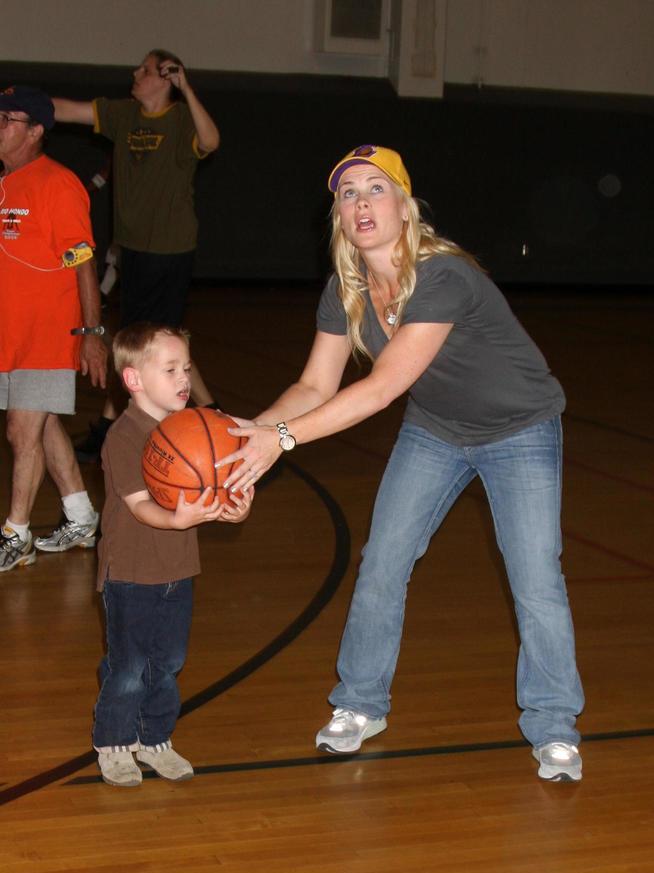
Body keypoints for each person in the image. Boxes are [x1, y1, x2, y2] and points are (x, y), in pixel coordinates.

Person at [218, 144, 585, 783]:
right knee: (383, 562)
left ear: (404, 207)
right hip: (438, 428)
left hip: (518, 428)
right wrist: (253, 430)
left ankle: (554, 724)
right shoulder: (347, 287)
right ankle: (359, 702)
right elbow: (314, 386)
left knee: (535, 577)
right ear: (337, 213)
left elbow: (383, 387)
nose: (361, 202)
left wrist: (280, 438)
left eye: (375, 188)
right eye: (348, 193)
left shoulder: (442, 275)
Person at [93, 322, 253, 788]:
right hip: (130, 572)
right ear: (134, 380)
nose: (184, 378)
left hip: (178, 571)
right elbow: (141, 505)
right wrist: (179, 520)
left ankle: (155, 737)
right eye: (170, 369)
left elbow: (219, 494)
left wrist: (235, 509)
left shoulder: (195, 430)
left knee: (168, 663)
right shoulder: (124, 437)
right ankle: (115, 743)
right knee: (128, 667)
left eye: (186, 367)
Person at [52, 49, 221, 460]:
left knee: (156, 340)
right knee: (136, 340)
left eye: (145, 70)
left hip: (170, 250)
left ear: (165, 78)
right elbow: (66, 109)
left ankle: (214, 419)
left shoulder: (182, 120)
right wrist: (19, 102)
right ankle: (114, 428)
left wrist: (187, 88)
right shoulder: (123, 115)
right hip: (136, 250)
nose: (135, 73)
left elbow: (212, 140)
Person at [0, 85, 107, 573]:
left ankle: (15, 533)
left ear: (35, 130)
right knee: (43, 427)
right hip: (11, 336)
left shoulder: (57, 184)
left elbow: (83, 263)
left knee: (22, 430)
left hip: (48, 334)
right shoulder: (6, 184)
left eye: (7, 119)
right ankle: (82, 517)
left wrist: (91, 333)